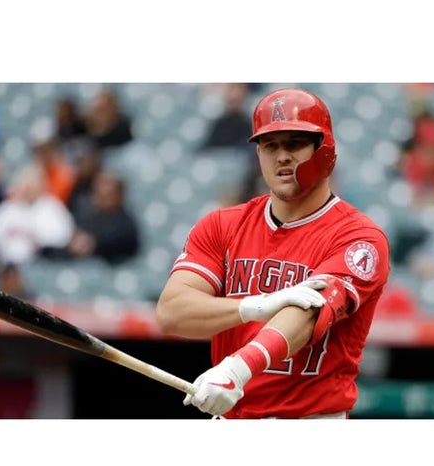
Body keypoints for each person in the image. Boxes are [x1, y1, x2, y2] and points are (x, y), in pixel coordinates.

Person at [156, 88, 390, 419]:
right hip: (232, 415)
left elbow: (308, 312)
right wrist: (253, 306)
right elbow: (172, 312)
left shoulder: (359, 238)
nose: (282, 156)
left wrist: (238, 368)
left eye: (295, 143)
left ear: (325, 151)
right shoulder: (221, 225)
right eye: (270, 145)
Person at [0, 165, 75, 266]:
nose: (29, 186)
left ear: (43, 184)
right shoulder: (8, 208)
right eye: (26, 181)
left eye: (34, 182)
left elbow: (60, 243)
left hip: (41, 267)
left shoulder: (52, 207)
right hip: (7, 267)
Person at [68, 171, 140, 263]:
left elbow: (121, 240)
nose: (100, 197)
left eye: (109, 194)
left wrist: (93, 243)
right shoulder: (89, 218)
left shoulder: (126, 223)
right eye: (97, 193)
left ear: (120, 195)